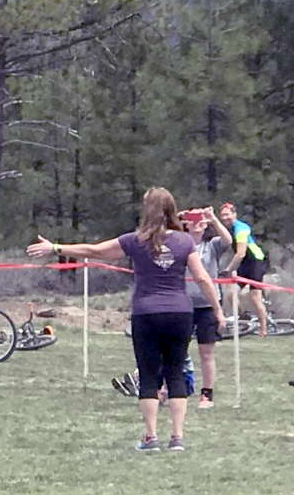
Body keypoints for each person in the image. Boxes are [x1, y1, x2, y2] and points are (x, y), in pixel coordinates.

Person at [28, 187, 225, 452]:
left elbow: (95, 251)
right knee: (175, 372)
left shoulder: (135, 240)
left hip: (146, 313)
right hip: (180, 312)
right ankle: (177, 438)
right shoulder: (184, 241)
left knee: (148, 375)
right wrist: (217, 308)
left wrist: (55, 247)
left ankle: (151, 437)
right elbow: (202, 277)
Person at [182, 207, 231, 408]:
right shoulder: (179, 243)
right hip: (182, 304)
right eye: (192, 219)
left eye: (200, 220)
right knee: (176, 350)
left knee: (206, 352)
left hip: (207, 306)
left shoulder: (211, 245)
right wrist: (176, 219)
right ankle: (169, 387)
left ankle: (207, 394)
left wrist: (213, 219)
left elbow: (228, 241)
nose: (197, 223)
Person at [219, 202, 269, 337]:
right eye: (222, 215)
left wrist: (228, 269)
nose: (224, 218)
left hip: (255, 261)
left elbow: (240, 253)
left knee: (254, 297)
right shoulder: (227, 230)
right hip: (244, 263)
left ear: (234, 215)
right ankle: (244, 316)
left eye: (227, 214)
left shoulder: (240, 228)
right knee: (231, 293)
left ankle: (263, 329)